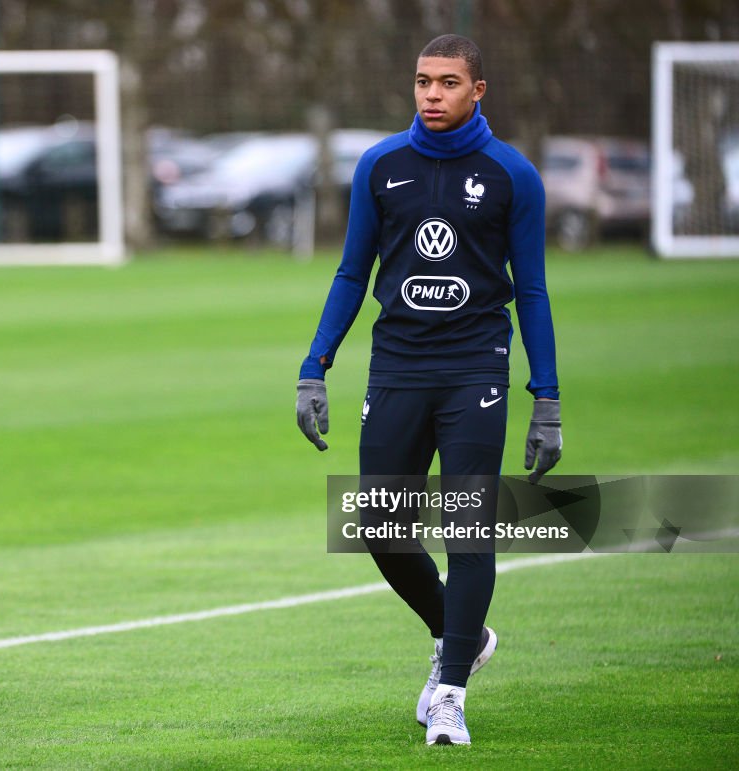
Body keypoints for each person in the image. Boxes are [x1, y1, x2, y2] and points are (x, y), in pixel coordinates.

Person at [295, 34, 562, 746]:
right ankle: (462, 635)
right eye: (422, 81)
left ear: (479, 91)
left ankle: (449, 693)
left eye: (447, 82)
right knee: (380, 526)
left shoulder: (513, 176)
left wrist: (547, 397)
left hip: (476, 368)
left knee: (467, 530)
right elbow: (352, 273)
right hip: (397, 369)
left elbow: (531, 291)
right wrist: (314, 365)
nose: (431, 94)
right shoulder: (382, 166)